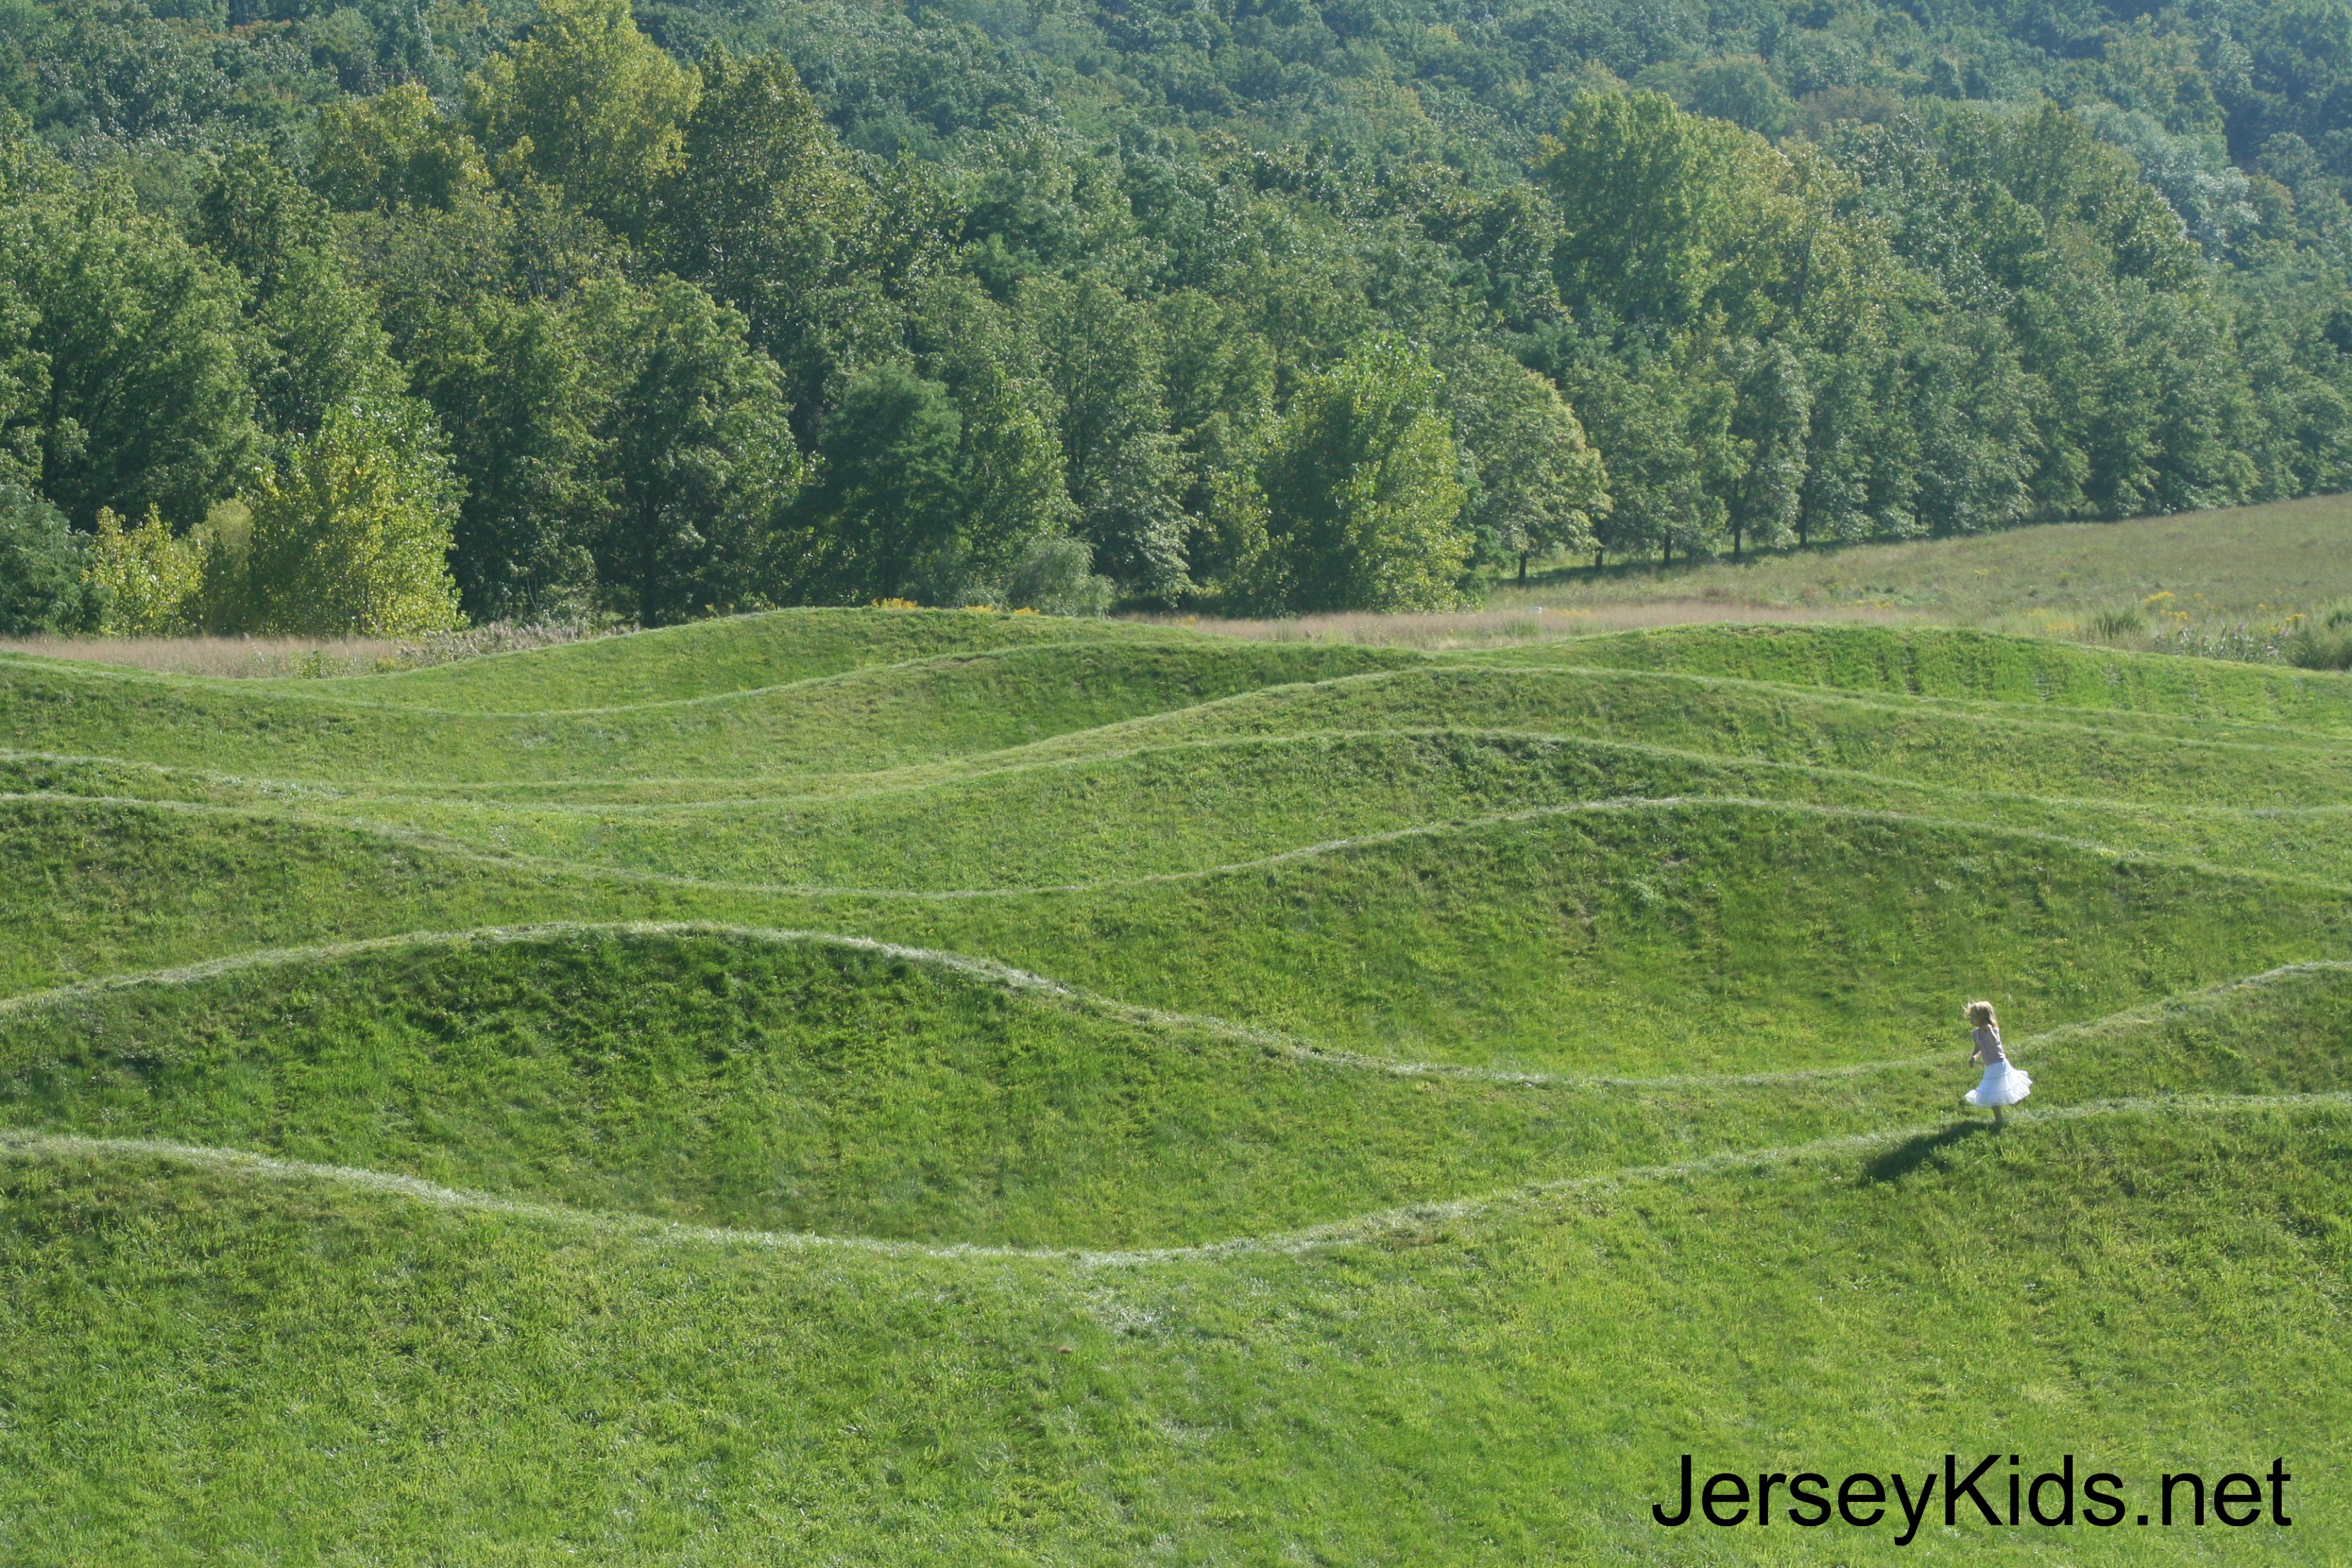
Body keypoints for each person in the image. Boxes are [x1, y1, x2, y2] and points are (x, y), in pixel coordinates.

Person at [1962, 1000, 2031, 1126]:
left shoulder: (1993, 1029)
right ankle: (2000, 1118)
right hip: (1990, 1066)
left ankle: (2001, 1117)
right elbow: (1979, 1048)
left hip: (2000, 1065)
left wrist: (1989, 1030)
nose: (1971, 1019)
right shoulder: (1976, 1034)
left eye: (1973, 1017)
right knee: (1994, 1093)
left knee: (1993, 1092)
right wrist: (1973, 1058)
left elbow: (1995, 1043)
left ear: (1982, 1017)